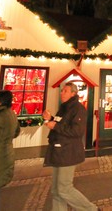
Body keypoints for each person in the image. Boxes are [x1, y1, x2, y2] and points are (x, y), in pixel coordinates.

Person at [43, 82, 97, 211]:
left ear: (73, 93)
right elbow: (61, 121)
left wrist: (55, 126)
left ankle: (91, 209)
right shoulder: (64, 107)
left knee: (64, 188)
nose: (62, 93)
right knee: (56, 190)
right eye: (62, 90)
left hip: (68, 151)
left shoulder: (78, 109)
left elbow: (77, 131)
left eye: (65, 91)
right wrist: (50, 118)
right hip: (58, 150)